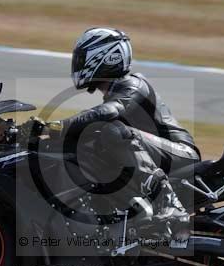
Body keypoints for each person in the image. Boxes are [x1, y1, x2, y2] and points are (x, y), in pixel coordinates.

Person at [30, 27, 200, 246]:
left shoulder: (134, 84)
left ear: (106, 57)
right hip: (152, 154)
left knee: (112, 130)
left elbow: (109, 112)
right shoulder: (114, 91)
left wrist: (55, 126)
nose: (78, 63)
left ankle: (170, 204)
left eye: (83, 58)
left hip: (180, 153)